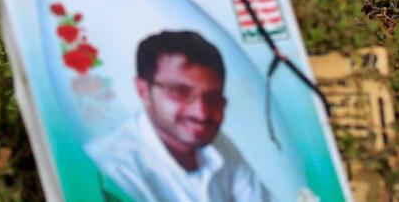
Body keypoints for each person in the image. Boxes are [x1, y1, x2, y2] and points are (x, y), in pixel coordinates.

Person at [88, 31, 271, 201]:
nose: (201, 113)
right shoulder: (113, 170)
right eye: (180, 91)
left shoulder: (216, 146)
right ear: (143, 90)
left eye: (212, 98)